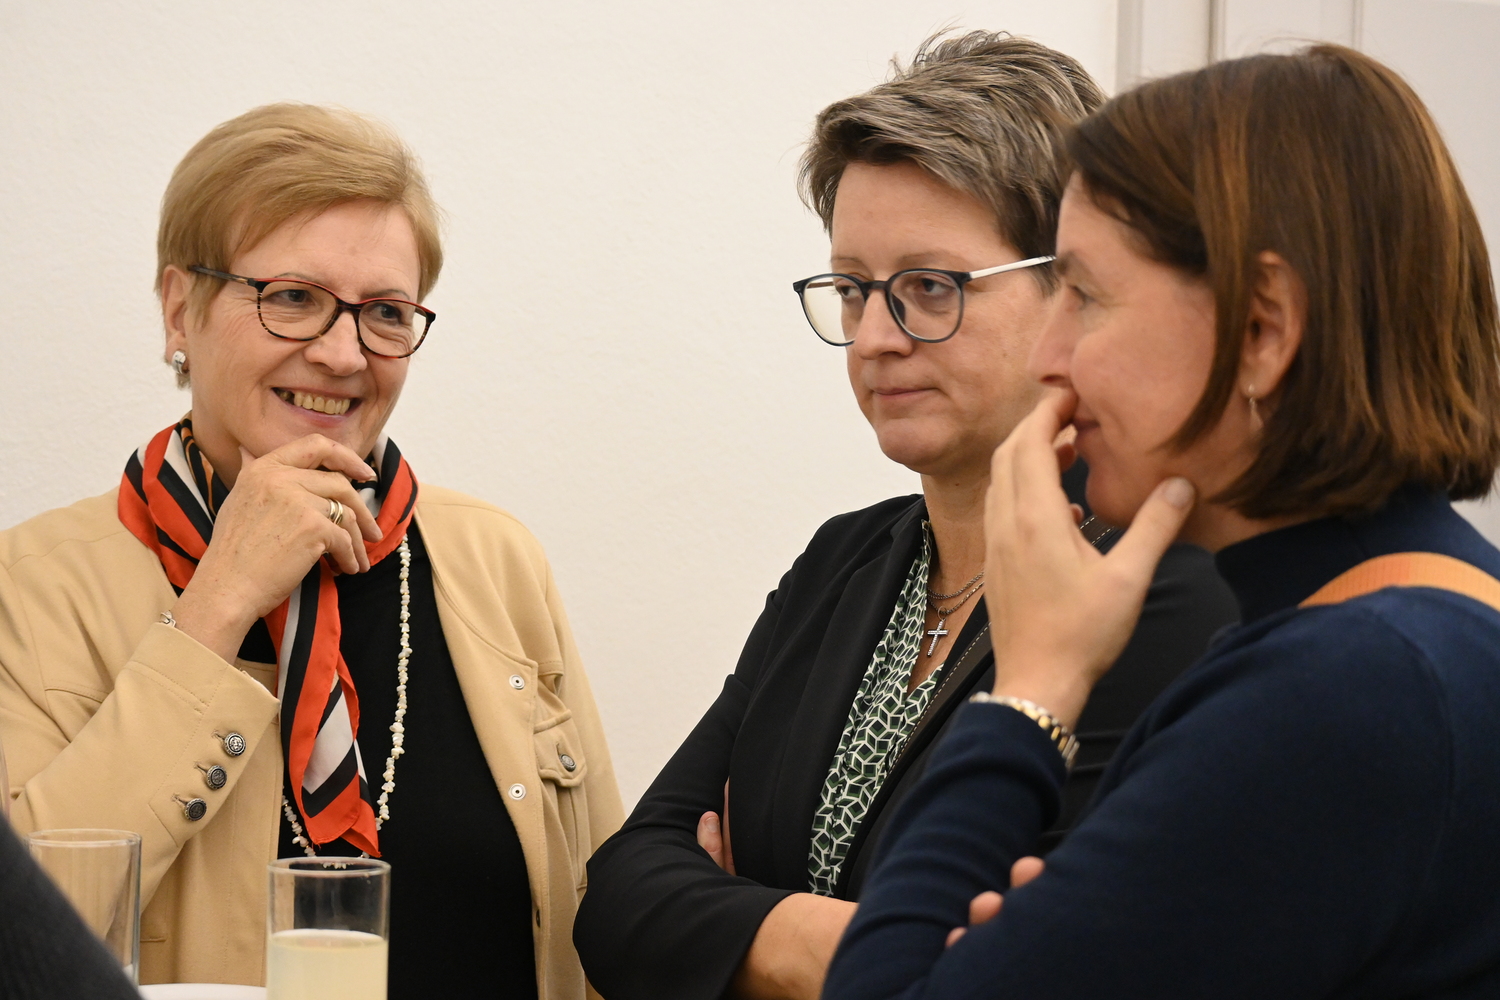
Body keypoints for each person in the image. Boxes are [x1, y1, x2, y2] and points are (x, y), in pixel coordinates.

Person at [825, 43, 1500, 999]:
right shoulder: (1411, 630)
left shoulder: (1348, 690)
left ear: (1263, 331)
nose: (1051, 359)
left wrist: (1031, 692)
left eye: (1085, 297)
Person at [574, 32, 1238, 1000]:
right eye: (853, 289)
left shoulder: (1157, 588)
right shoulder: (842, 562)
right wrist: (842, 941)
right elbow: (620, 900)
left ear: (1074, 287)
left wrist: (735, 923)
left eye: (931, 288)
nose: (875, 339)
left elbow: (1023, 970)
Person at [0, 104, 622, 998]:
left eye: (386, 313)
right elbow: (23, 946)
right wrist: (218, 604)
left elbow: (600, 925)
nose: (342, 354)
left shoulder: (496, 559)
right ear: (180, 310)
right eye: (292, 298)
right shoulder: (29, 588)